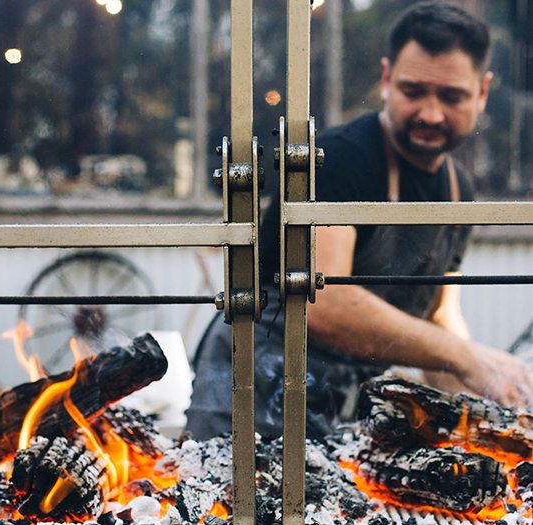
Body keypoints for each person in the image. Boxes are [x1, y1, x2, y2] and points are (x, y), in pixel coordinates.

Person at [186, 1, 533, 441]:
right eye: (413, 91)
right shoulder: (342, 156)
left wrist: (481, 405)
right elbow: (326, 302)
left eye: (451, 96)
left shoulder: (457, 188)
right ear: (387, 80)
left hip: (340, 405)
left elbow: (440, 316)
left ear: (482, 92)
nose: (430, 113)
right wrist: (467, 357)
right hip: (256, 389)